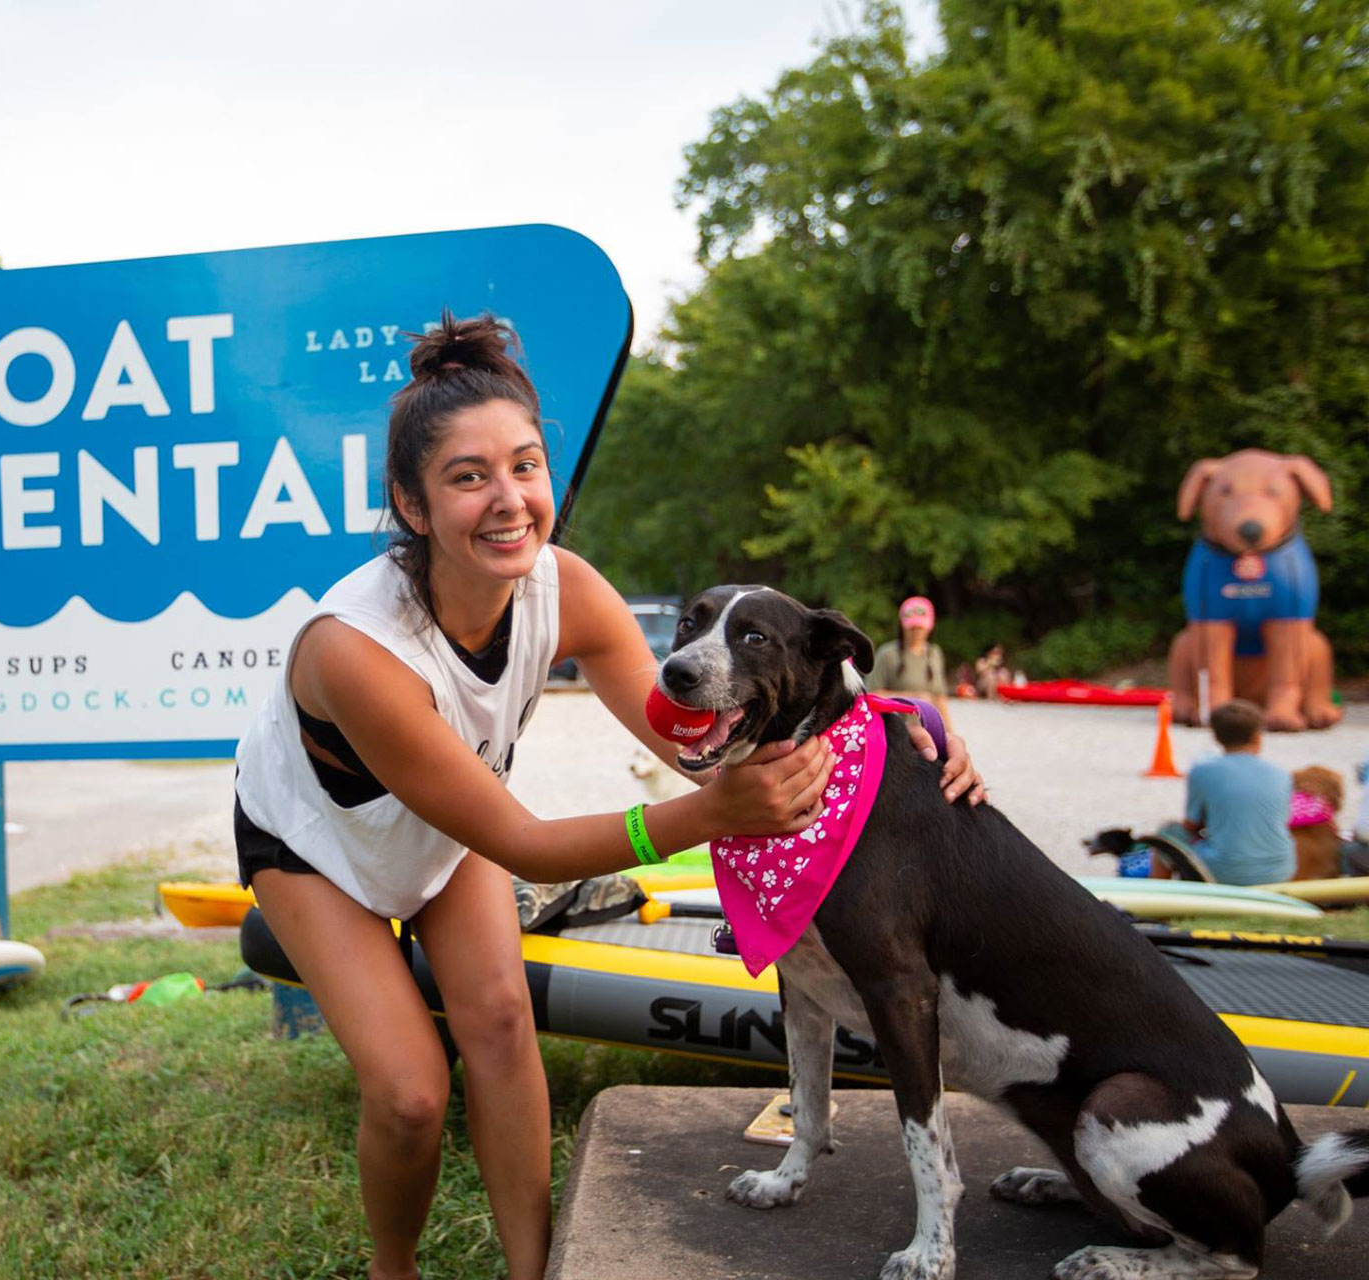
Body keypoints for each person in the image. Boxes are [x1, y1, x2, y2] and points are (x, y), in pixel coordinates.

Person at [233, 314, 986, 1280]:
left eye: (526, 466)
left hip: (442, 818)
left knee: (502, 1025)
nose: (509, 500)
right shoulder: (356, 649)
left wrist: (892, 724)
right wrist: (708, 817)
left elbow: (692, 740)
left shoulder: (566, 590)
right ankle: (394, 1269)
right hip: (316, 843)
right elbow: (527, 843)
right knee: (413, 1094)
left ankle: (534, 1269)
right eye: (468, 477)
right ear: (411, 506)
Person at [1161, 699, 1294, 886]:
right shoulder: (1281, 773)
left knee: (1168, 832)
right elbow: (1281, 820)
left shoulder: (1203, 770)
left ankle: (1162, 897)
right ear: (1258, 736)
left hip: (1224, 871)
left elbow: (1191, 824)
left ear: (1216, 737)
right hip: (1280, 869)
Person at [865, 595, 953, 728]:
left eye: (920, 627)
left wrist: (949, 732)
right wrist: (912, 698)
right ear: (902, 625)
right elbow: (872, 696)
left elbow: (940, 698)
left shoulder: (935, 653)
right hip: (896, 727)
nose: (916, 632)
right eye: (912, 627)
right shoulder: (887, 654)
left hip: (929, 726)